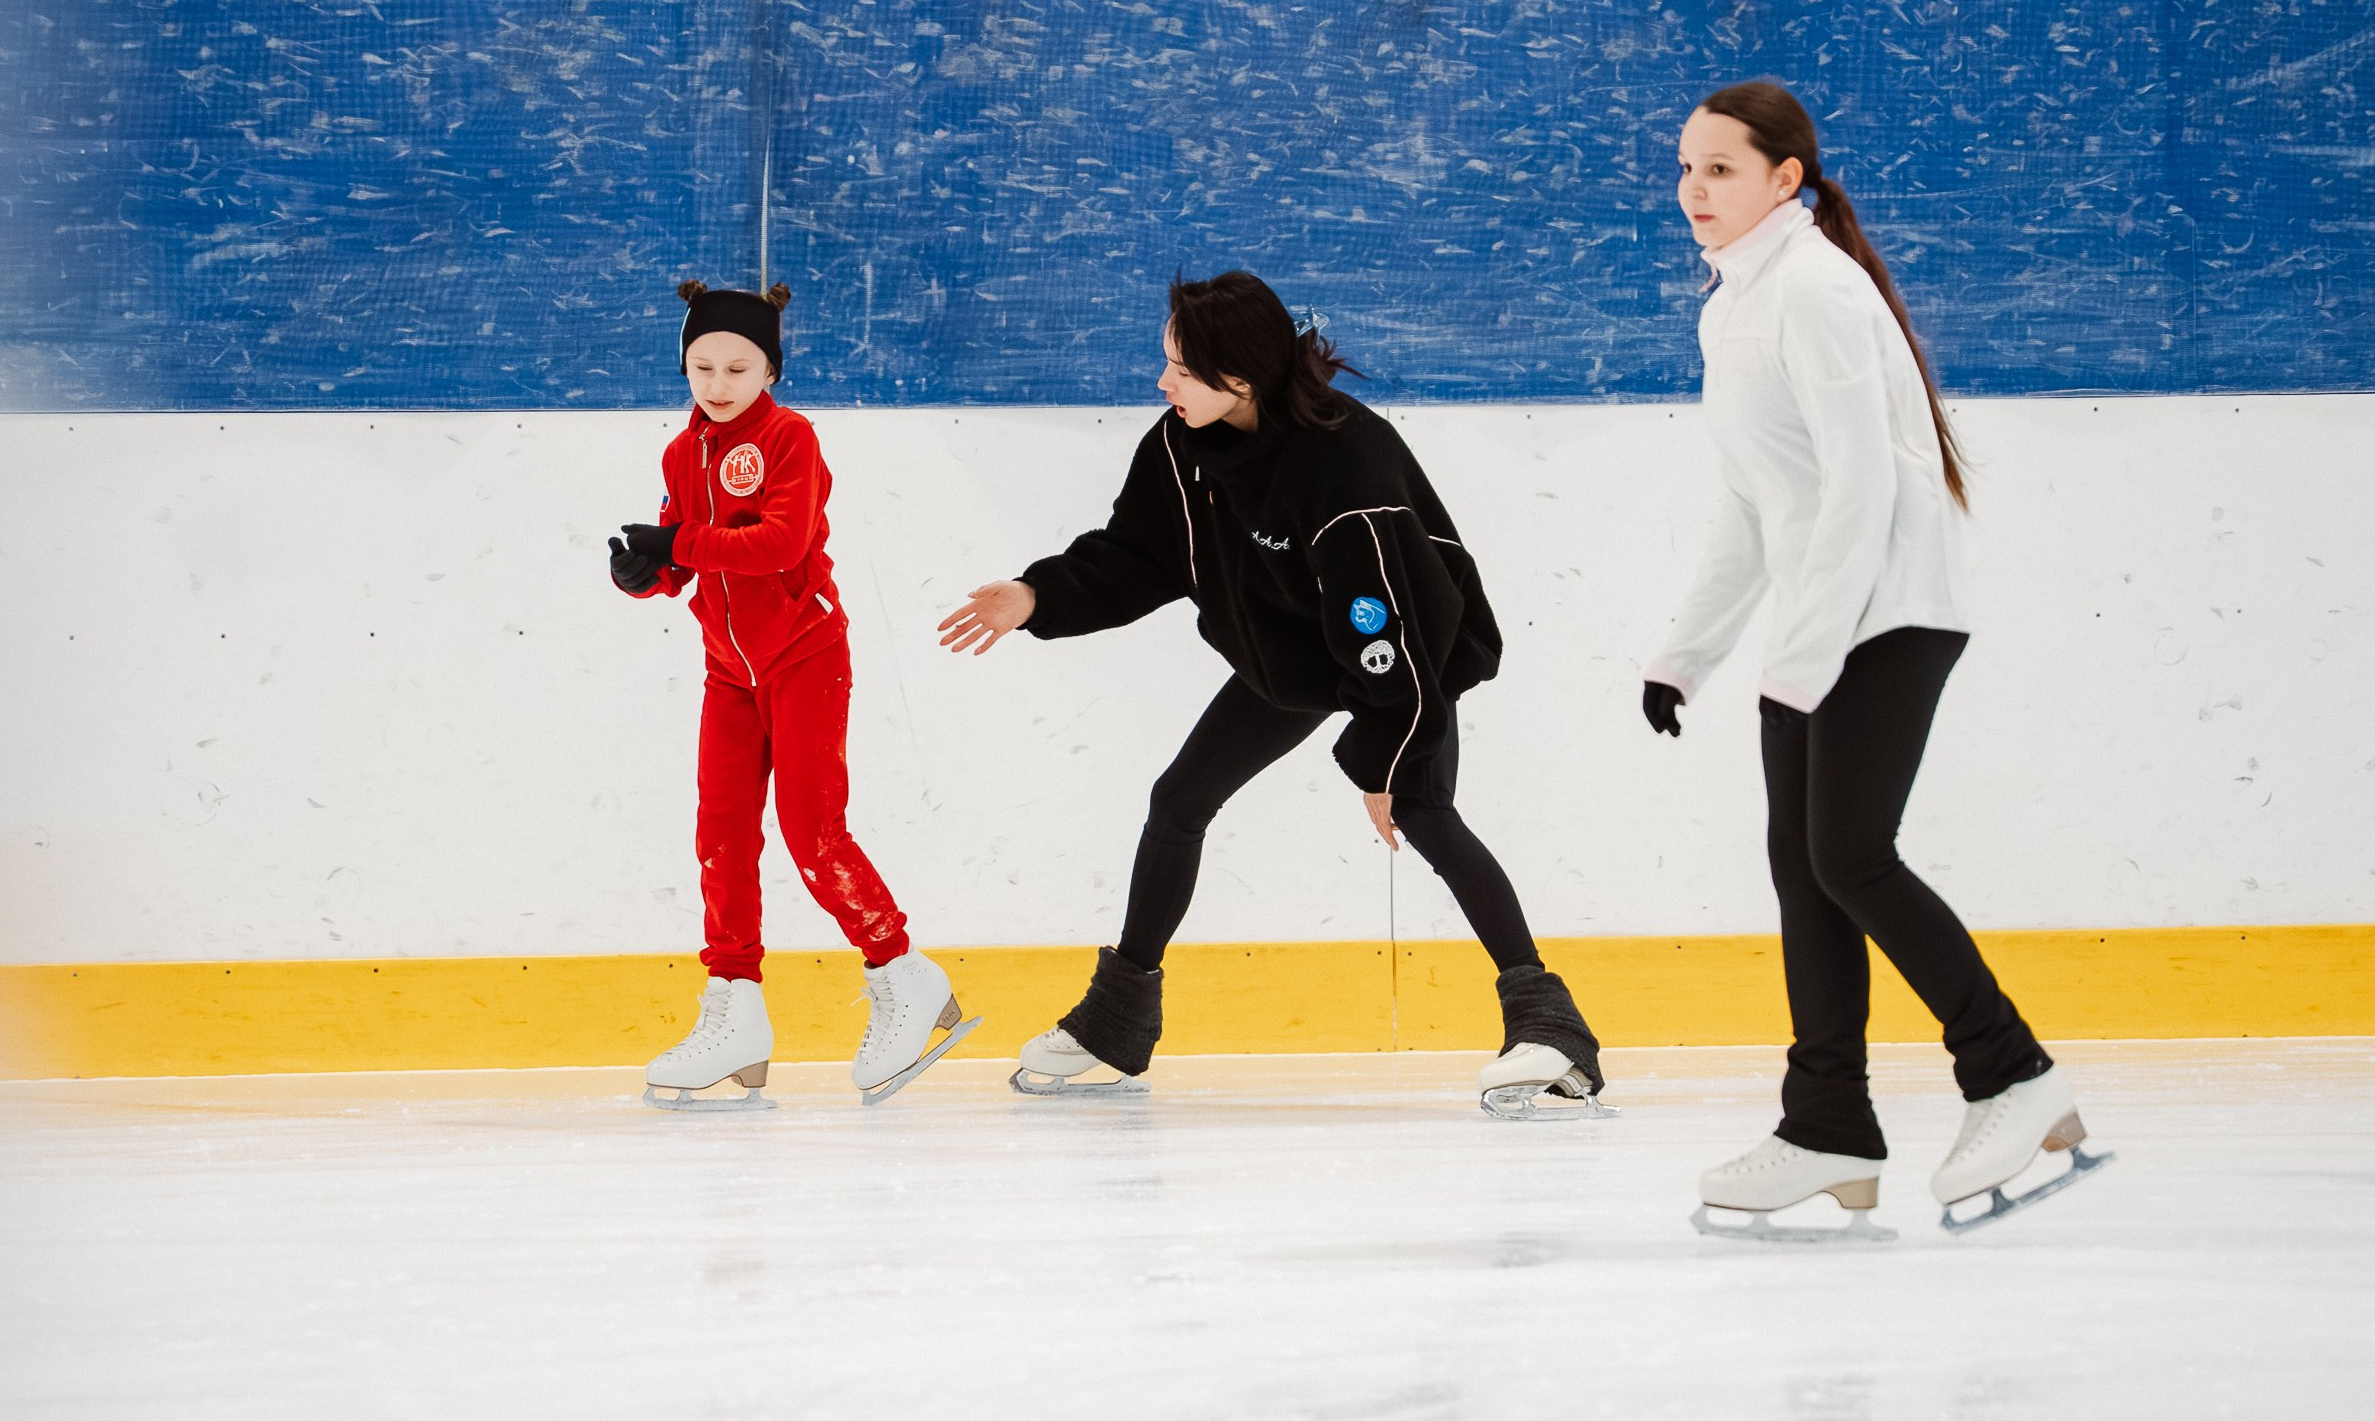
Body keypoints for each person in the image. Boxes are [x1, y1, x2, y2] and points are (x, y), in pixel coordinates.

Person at [936, 271, 1605, 1117]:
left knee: (1424, 810)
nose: (1162, 382)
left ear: (1240, 380)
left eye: (1179, 368)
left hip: (1408, 646)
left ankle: (1552, 1032)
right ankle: (1116, 1019)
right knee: (1178, 799)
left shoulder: (1343, 461)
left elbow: (1385, 622)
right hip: (1292, 650)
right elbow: (1138, 551)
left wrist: (1384, 757)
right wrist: (1038, 597)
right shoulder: (1183, 442)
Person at [1648, 82, 2109, 1237]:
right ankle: (1828, 1127)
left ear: (1784, 179)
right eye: (1686, 168)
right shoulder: (1732, 306)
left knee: (1848, 853)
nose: (1693, 189)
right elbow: (1757, 500)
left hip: (1889, 608)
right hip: (1820, 621)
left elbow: (1863, 484)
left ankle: (2012, 1075)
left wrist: (1799, 657)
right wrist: (1686, 654)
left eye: (1720, 169)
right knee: (1803, 865)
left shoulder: (1813, 288)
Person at [610, 279, 975, 1110]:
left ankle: (903, 973)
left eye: (739, 365)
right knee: (721, 837)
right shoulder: (681, 452)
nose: (717, 382)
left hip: (806, 657)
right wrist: (647, 571)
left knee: (813, 832)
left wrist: (681, 543)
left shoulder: (790, 439)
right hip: (727, 671)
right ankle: (734, 1008)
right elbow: (684, 558)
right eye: (701, 365)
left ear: (770, 368)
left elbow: (777, 545)